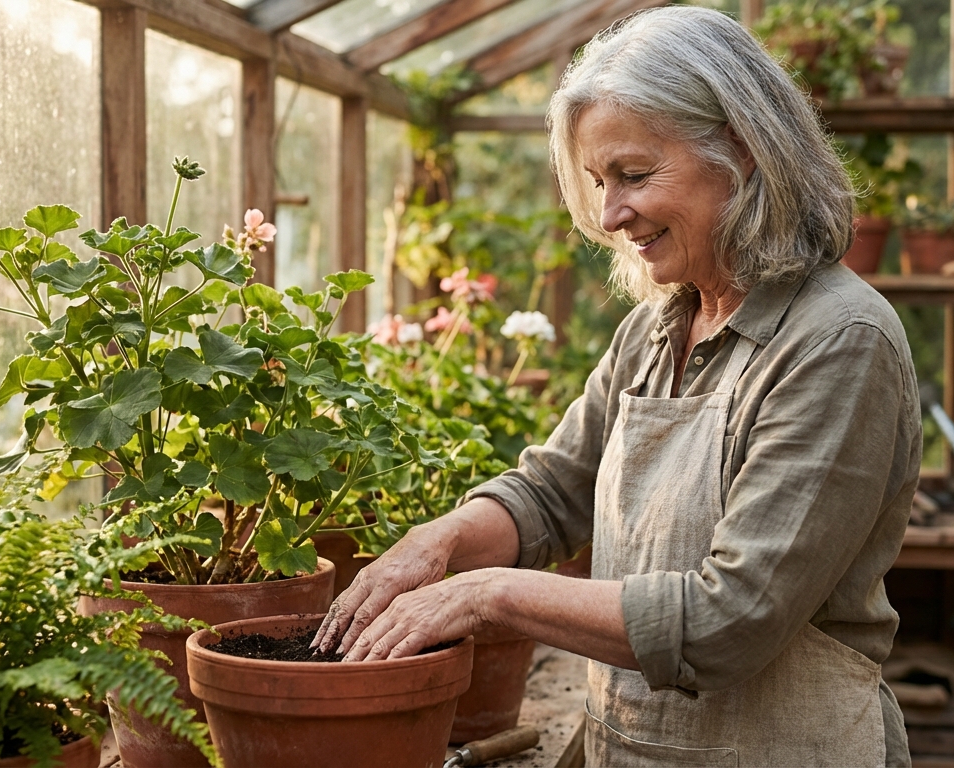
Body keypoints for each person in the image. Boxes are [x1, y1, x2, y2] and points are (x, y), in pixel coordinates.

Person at [313, 6, 921, 765]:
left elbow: (730, 619)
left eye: (634, 175)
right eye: (599, 182)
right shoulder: (660, 326)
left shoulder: (838, 342)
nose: (610, 214)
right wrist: (436, 542)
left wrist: (486, 593)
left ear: (743, 148)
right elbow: (552, 492)